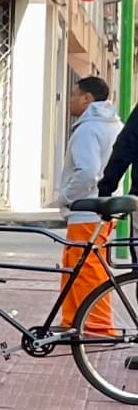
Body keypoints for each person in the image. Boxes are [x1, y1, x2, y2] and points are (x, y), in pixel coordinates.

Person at [59, 71, 121, 336]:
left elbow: (86, 172)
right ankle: (75, 321)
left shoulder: (87, 129)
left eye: (73, 96)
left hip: (87, 210)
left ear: (87, 98)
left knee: (85, 268)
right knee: (84, 265)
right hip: (106, 207)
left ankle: (94, 324)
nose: (70, 101)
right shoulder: (113, 125)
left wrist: (68, 198)